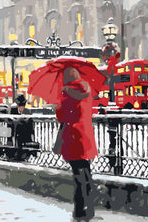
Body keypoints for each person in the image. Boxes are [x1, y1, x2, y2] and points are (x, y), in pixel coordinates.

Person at [55, 67, 97, 221]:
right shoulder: (86, 90)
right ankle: (89, 208)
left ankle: (80, 210)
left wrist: (58, 107)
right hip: (86, 136)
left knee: (78, 176)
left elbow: (62, 116)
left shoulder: (67, 93)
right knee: (86, 172)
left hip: (73, 138)